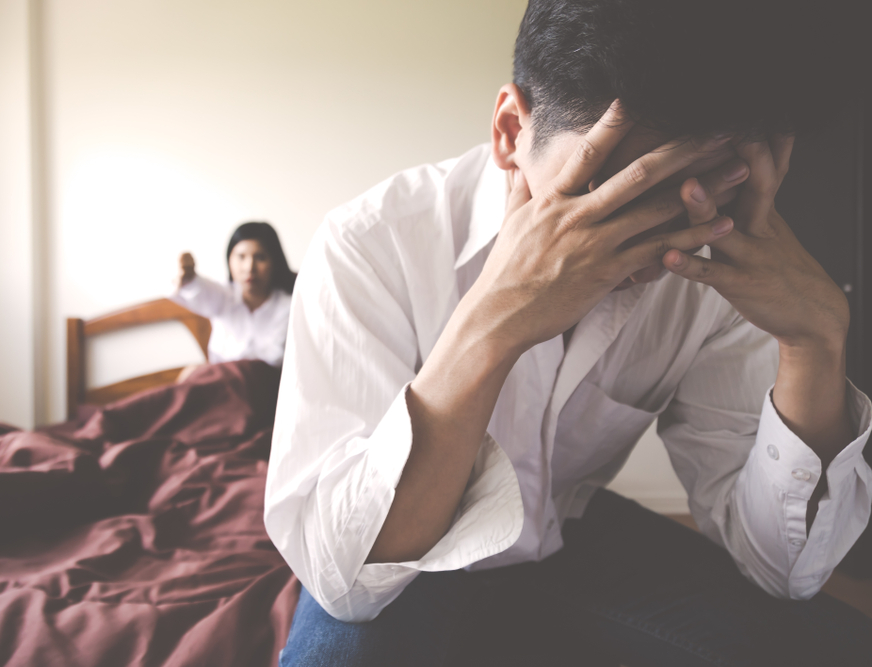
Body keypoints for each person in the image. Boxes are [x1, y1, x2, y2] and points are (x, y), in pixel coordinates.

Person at [264, 1, 872, 665]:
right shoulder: (369, 245)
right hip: (405, 563)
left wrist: (814, 346)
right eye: (608, 201)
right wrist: (495, 322)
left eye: (690, 202)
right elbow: (346, 580)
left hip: (567, 529)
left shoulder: (711, 255)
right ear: (509, 131)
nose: (642, 253)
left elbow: (786, 570)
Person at [172, 221, 295, 371]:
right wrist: (189, 277)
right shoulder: (224, 296)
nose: (249, 267)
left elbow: (273, 360)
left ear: (275, 261)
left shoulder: (289, 307)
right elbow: (200, 291)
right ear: (229, 259)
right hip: (220, 385)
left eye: (260, 257)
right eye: (241, 257)